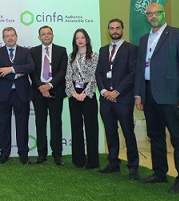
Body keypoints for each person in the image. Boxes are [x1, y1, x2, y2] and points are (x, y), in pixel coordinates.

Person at [134, 3, 179, 193]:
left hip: (170, 94)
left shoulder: (178, 35)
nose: (153, 16)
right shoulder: (144, 39)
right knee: (155, 136)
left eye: (156, 13)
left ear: (163, 14)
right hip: (149, 94)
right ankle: (159, 173)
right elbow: (140, 69)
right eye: (149, 14)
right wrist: (139, 94)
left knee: (178, 137)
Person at [94, 19, 139, 180]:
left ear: (122, 29)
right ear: (108, 30)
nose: (114, 31)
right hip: (106, 99)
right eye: (112, 28)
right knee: (110, 131)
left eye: (117, 28)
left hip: (123, 99)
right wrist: (104, 91)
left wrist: (117, 92)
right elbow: (99, 73)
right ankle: (113, 163)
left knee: (128, 132)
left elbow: (133, 73)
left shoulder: (131, 48)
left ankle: (133, 166)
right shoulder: (103, 50)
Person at [0, 27, 34, 164]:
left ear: (16, 36)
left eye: (12, 35)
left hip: (21, 94)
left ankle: (23, 154)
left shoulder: (26, 51)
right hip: (3, 94)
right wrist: (17, 74)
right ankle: (4, 153)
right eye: (7, 36)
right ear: (3, 38)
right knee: (3, 125)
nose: (10, 38)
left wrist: (11, 69)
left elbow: (31, 67)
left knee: (22, 125)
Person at [29, 26, 68, 165]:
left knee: (56, 123)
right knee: (40, 123)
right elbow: (32, 71)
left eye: (49, 33)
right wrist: (41, 86)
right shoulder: (33, 51)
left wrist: (49, 85)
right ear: (39, 37)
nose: (46, 36)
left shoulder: (61, 50)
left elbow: (62, 71)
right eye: (43, 34)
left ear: (52, 35)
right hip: (38, 92)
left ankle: (57, 154)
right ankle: (41, 153)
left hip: (55, 91)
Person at [65, 28, 99, 169]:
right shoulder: (71, 56)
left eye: (82, 37)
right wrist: (74, 93)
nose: (80, 40)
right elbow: (68, 77)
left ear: (87, 39)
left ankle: (93, 161)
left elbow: (95, 76)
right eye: (77, 38)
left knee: (91, 127)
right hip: (74, 94)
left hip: (88, 94)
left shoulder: (94, 56)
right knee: (76, 126)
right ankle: (78, 160)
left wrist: (85, 93)